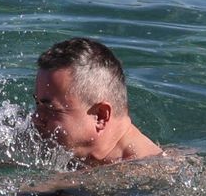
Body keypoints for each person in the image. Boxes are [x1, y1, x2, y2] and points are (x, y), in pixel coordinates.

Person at [31, 37, 162, 166]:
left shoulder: (149, 175)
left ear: (100, 116)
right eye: (37, 104)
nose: (35, 118)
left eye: (51, 109)